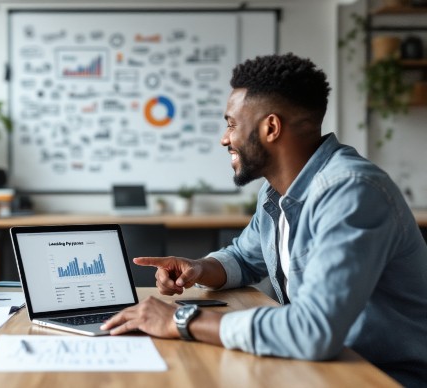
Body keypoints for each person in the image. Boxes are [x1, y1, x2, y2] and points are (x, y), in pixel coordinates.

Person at [101, 53, 427, 386]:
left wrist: (182, 320)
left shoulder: (351, 193)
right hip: (323, 368)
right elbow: (244, 258)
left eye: (230, 124)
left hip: (382, 377)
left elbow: (313, 330)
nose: (224, 138)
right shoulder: (276, 193)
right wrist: (198, 268)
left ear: (270, 127)